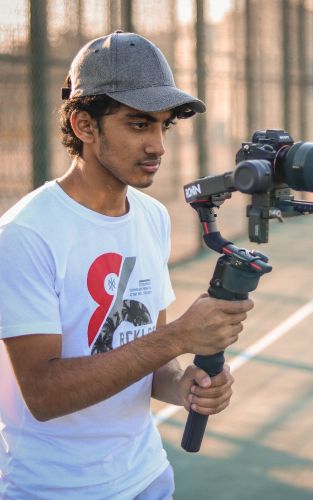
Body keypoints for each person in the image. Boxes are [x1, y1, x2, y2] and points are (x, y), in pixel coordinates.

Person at [0, 31, 253, 499]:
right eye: (139, 125)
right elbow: (43, 395)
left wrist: (184, 385)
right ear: (84, 125)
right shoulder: (24, 234)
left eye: (163, 126)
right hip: (54, 490)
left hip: (147, 477)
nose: (158, 145)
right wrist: (179, 336)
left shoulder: (152, 217)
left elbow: (150, 354)